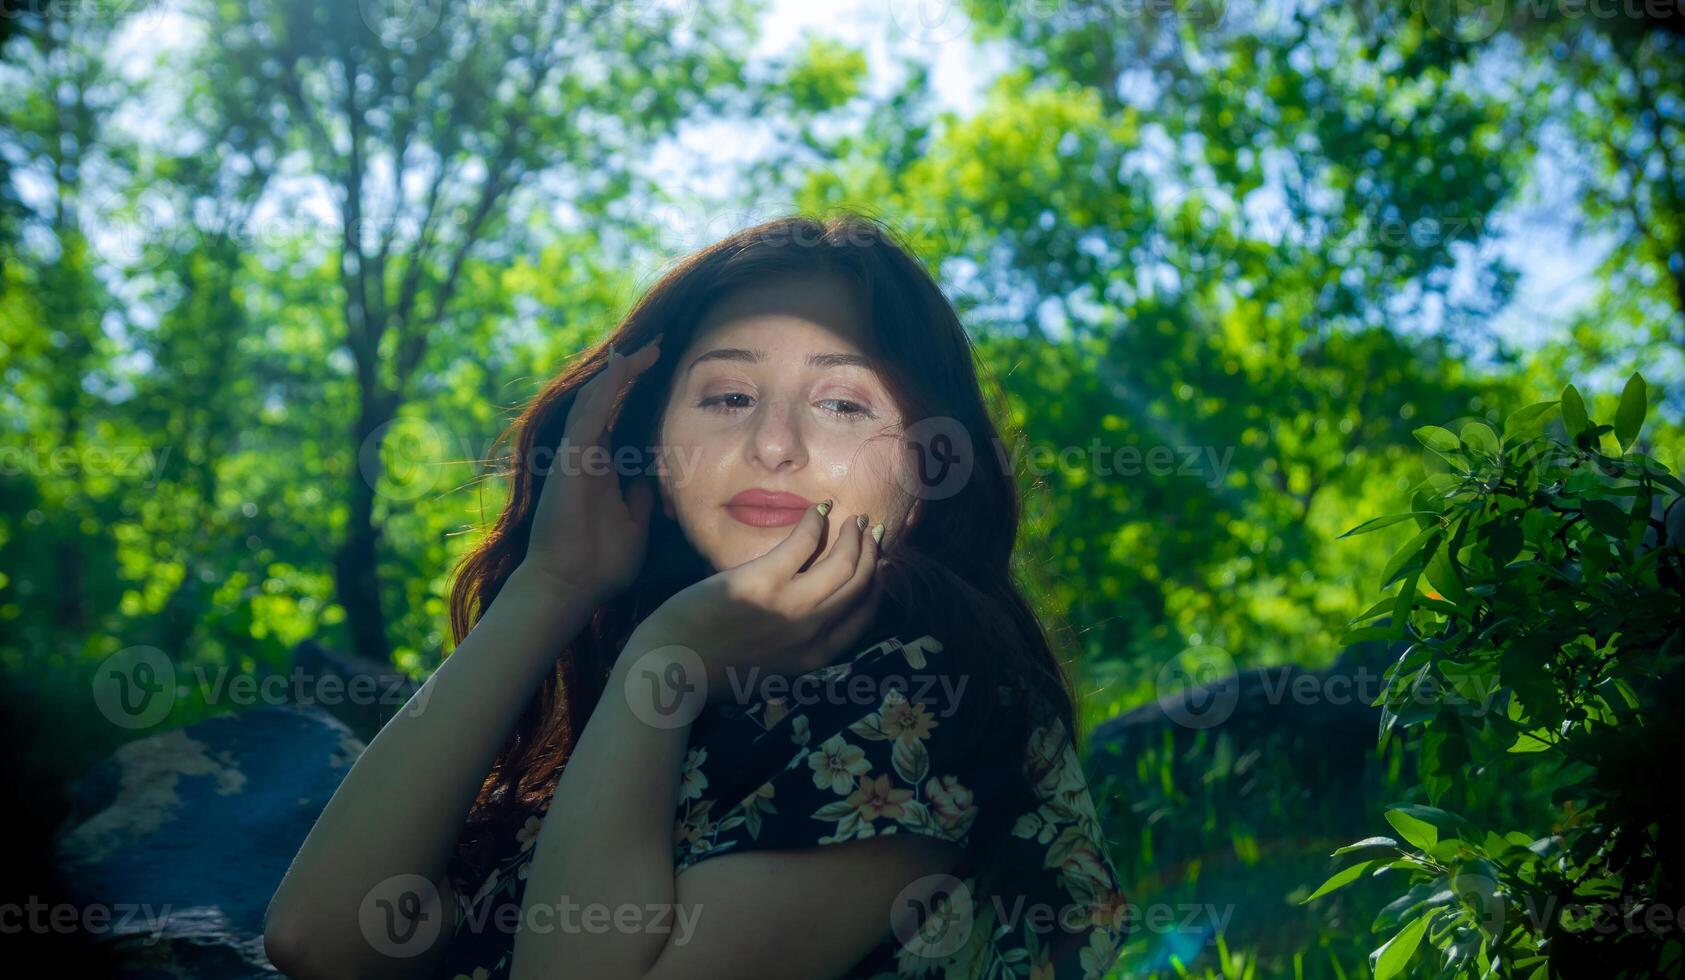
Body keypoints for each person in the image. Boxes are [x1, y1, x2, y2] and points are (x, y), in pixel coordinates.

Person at [264, 213, 1131, 980]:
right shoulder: (658, 693)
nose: (773, 445)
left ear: (927, 463)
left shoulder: (934, 693)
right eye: (728, 395)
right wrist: (551, 584)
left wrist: (664, 665)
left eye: (839, 402)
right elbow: (321, 938)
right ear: (651, 439)